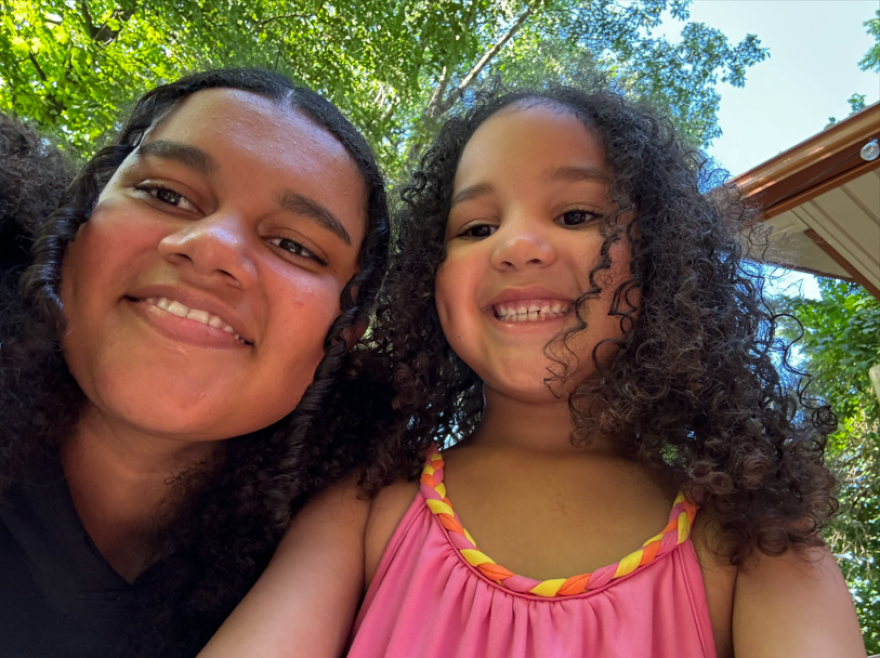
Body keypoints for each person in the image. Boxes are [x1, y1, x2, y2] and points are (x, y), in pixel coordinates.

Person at [197, 86, 866, 658]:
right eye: (476, 227)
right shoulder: (367, 511)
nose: (516, 246)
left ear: (663, 264)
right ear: (430, 281)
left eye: (576, 215)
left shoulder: (753, 541)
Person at [0, 68, 389, 657]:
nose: (213, 246)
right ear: (76, 227)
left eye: (295, 246)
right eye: (167, 194)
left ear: (345, 337)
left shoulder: (345, 576)